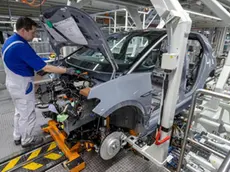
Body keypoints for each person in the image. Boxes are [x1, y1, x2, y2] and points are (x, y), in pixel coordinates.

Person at [1, 17, 75, 148]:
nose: (34, 35)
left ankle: (17, 136)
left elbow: (26, 60)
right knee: (28, 113)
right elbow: (45, 68)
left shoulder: (10, 41)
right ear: (24, 30)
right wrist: (65, 70)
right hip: (22, 85)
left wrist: (44, 61)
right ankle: (27, 140)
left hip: (12, 82)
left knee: (19, 111)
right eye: (33, 32)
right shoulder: (21, 46)